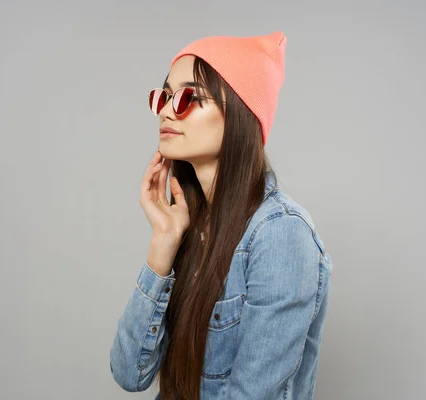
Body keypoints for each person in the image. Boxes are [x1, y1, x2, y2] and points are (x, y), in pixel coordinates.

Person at [109, 31, 333, 400]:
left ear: (240, 113)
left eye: (187, 98)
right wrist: (163, 243)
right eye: (163, 96)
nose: (166, 110)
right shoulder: (191, 226)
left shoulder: (280, 235)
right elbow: (129, 372)